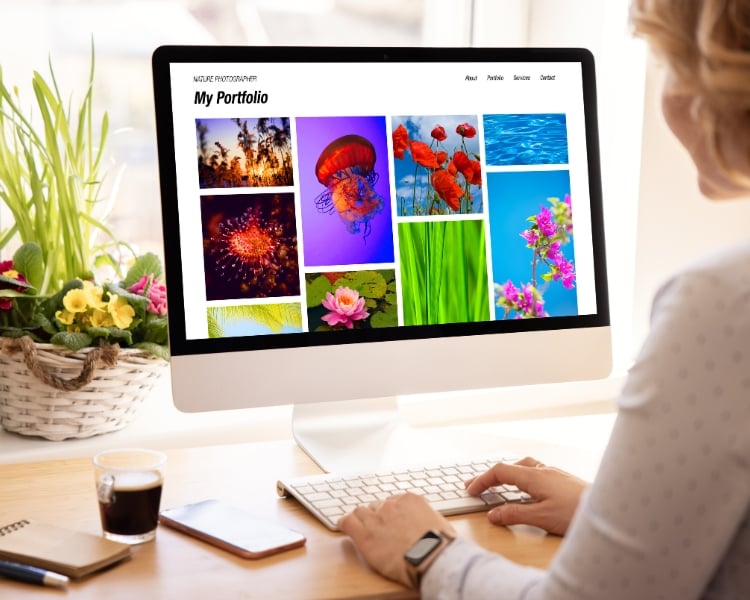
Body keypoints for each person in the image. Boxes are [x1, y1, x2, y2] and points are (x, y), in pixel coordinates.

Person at [338, 1, 750, 597]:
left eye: (674, 67)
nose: (670, 101)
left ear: (719, 84)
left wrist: (427, 551)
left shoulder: (721, 306)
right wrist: (608, 515)